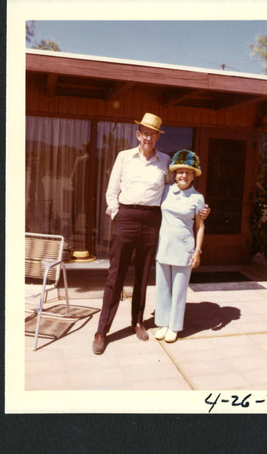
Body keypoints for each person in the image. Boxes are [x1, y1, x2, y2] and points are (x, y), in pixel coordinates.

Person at [92, 114, 209, 355]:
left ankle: (138, 321)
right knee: (115, 276)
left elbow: (177, 187)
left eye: (152, 133)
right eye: (144, 133)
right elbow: (111, 191)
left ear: (157, 137)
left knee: (143, 276)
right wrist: (117, 214)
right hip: (126, 216)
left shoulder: (164, 160)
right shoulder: (124, 157)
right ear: (138, 135)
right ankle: (102, 330)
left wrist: (200, 207)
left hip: (151, 221)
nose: (148, 137)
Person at [154, 150, 205, 343]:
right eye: (180, 171)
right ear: (174, 174)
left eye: (188, 172)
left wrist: (197, 251)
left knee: (179, 290)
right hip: (163, 246)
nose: (183, 175)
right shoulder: (165, 191)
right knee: (163, 288)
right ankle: (163, 323)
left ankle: (174, 326)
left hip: (184, 248)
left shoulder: (197, 198)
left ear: (193, 176)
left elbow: (200, 226)